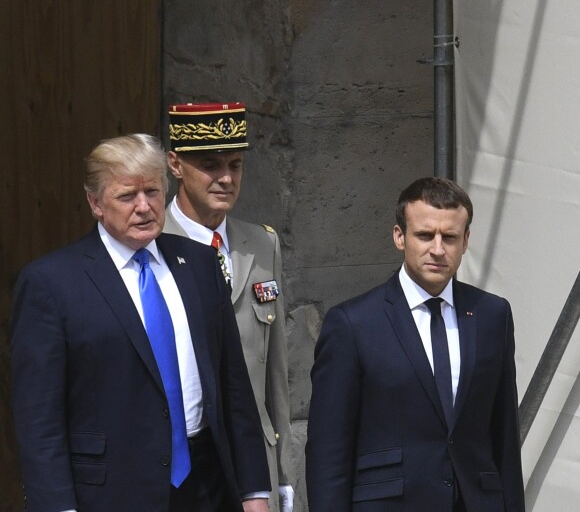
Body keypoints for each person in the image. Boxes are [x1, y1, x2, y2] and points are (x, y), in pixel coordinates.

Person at [10, 134, 270, 512]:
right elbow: (39, 420)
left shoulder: (199, 264)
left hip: (206, 488)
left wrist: (254, 491)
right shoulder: (52, 283)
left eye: (152, 191)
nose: (144, 207)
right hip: (110, 491)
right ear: (95, 203)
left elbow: (234, 390)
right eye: (127, 196)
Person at [305, 177, 525, 512]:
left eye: (449, 237)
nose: (438, 249)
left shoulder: (492, 315)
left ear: (465, 241)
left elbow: (505, 436)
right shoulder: (353, 324)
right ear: (399, 236)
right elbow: (328, 452)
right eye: (425, 235)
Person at [164, 102, 294, 512]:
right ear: (175, 164)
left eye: (235, 165)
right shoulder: (150, 247)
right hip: (187, 468)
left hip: (256, 470)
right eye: (210, 164)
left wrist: (285, 474)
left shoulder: (261, 243)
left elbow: (276, 374)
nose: (226, 178)